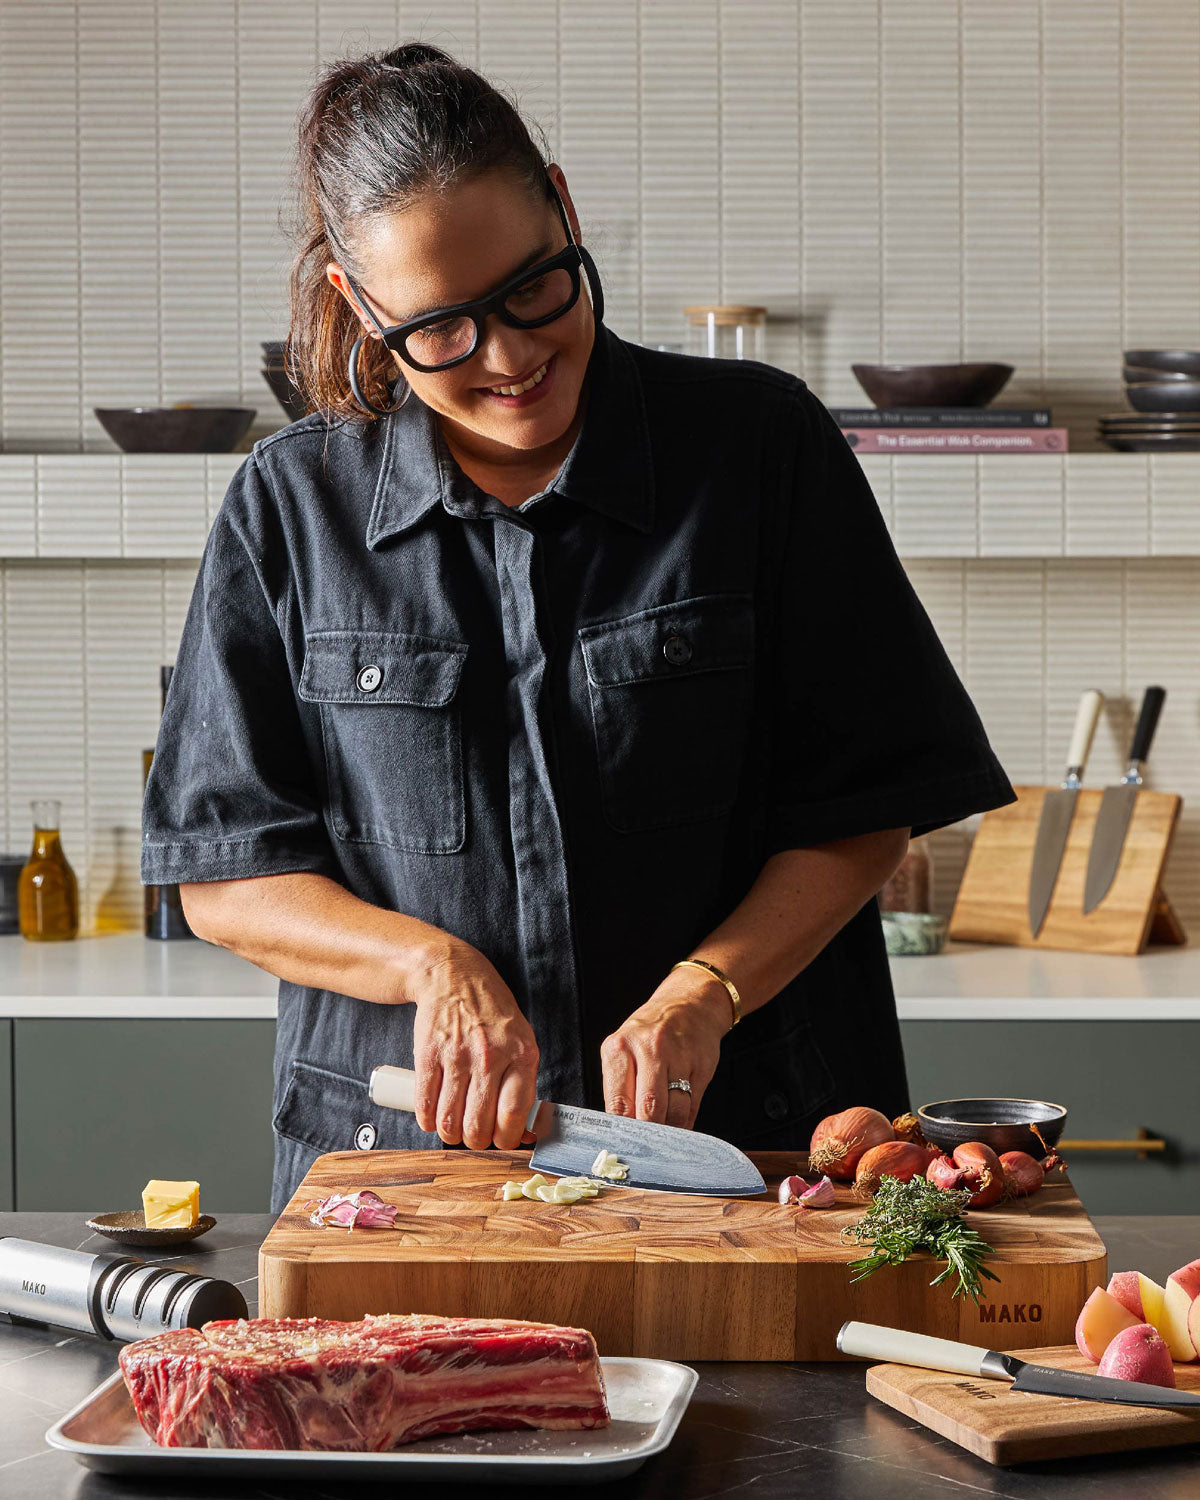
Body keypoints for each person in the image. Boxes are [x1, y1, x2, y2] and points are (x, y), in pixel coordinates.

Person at [141, 43, 1015, 1212]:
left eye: (533, 288)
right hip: (401, 1170)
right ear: (361, 306)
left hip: (752, 1150)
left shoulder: (760, 451)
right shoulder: (289, 507)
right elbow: (226, 869)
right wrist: (427, 963)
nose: (508, 357)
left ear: (563, 205)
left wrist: (707, 987)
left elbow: (865, 809)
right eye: (440, 329)